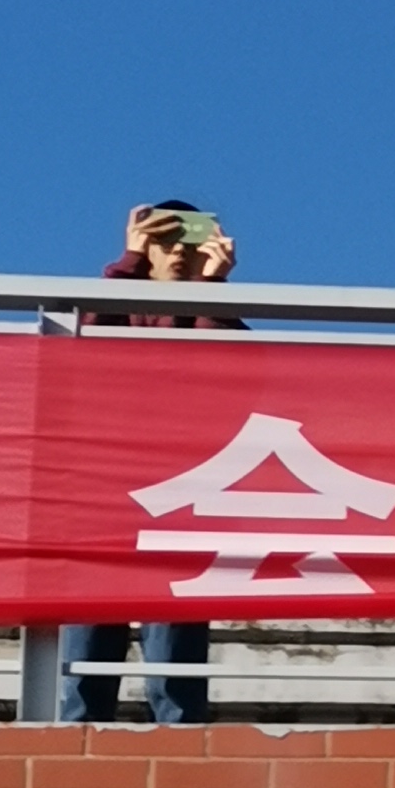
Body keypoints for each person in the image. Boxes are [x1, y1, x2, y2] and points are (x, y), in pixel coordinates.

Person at [61, 197, 244, 727]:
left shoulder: (214, 312)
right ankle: (73, 746)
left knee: (175, 655)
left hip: (182, 496)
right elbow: (77, 356)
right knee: (86, 653)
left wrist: (212, 288)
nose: (178, 251)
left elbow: (237, 378)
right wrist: (126, 264)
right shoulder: (114, 305)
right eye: (165, 240)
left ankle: (180, 747)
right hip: (102, 497)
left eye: (190, 239)